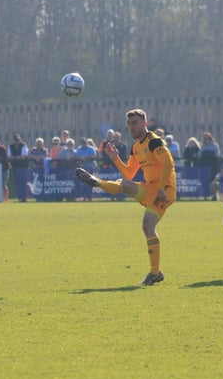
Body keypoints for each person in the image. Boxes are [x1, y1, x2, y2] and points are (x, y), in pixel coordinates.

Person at [75, 108, 176, 285]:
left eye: (135, 123)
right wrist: (115, 158)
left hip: (164, 189)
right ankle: (97, 182)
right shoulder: (136, 147)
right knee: (126, 184)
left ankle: (155, 272)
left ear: (144, 123)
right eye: (129, 124)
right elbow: (129, 172)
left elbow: (168, 163)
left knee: (147, 226)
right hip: (151, 188)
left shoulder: (154, 142)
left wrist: (161, 187)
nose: (132, 127)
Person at [198, 132, 221, 200]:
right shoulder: (202, 147)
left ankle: (215, 195)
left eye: (206, 138)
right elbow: (199, 155)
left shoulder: (215, 145)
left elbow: (217, 155)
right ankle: (206, 196)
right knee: (205, 181)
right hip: (204, 167)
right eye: (204, 139)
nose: (205, 140)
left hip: (213, 167)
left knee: (213, 181)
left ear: (210, 138)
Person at [8, 133, 29, 202]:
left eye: (18, 140)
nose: (17, 141)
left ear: (20, 140)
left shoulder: (24, 145)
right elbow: (9, 156)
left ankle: (24, 197)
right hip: (15, 167)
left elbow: (23, 156)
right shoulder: (10, 146)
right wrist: (17, 157)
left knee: (23, 183)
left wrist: (15, 157)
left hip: (23, 166)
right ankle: (20, 197)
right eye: (16, 140)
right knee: (17, 183)